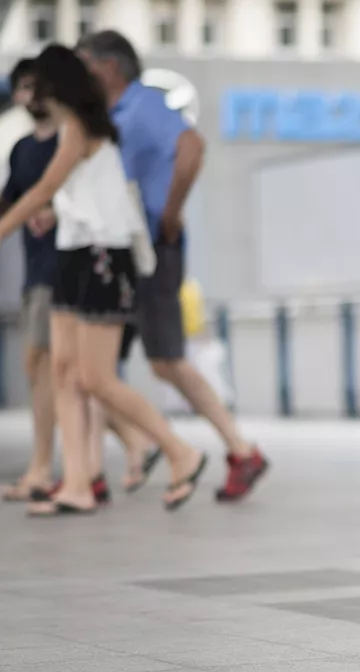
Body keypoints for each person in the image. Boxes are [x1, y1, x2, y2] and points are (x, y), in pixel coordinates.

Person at [0, 44, 207, 515]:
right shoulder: (71, 131)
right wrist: (46, 215)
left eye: (37, 85)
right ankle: (77, 483)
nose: (31, 96)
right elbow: (67, 195)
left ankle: (180, 451)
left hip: (103, 256)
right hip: (74, 254)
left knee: (96, 378)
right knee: (64, 373)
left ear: (55, 85)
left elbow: (45, 187)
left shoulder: (81, 128)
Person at [76, 30, 269, 503]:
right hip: (122, 252)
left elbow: (192, 146)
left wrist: (171, 211)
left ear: (109, 67)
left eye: (84, 65)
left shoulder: (143, 105)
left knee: (165, 362)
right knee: (95, 366)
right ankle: (96, 470)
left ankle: (240, 450)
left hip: (151, 250)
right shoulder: (112, 116)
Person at [0, 58, 61, 499]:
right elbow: (15, 208)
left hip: (70, 269)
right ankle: (136, 449)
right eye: (21, 87)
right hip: (35, 269)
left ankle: (48, 469)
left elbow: (79, 198)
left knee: (58, 370)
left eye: (35, 85)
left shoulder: (72, 138)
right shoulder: (22, 150)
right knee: (54, 370)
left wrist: (56, 211)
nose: (29, 95)